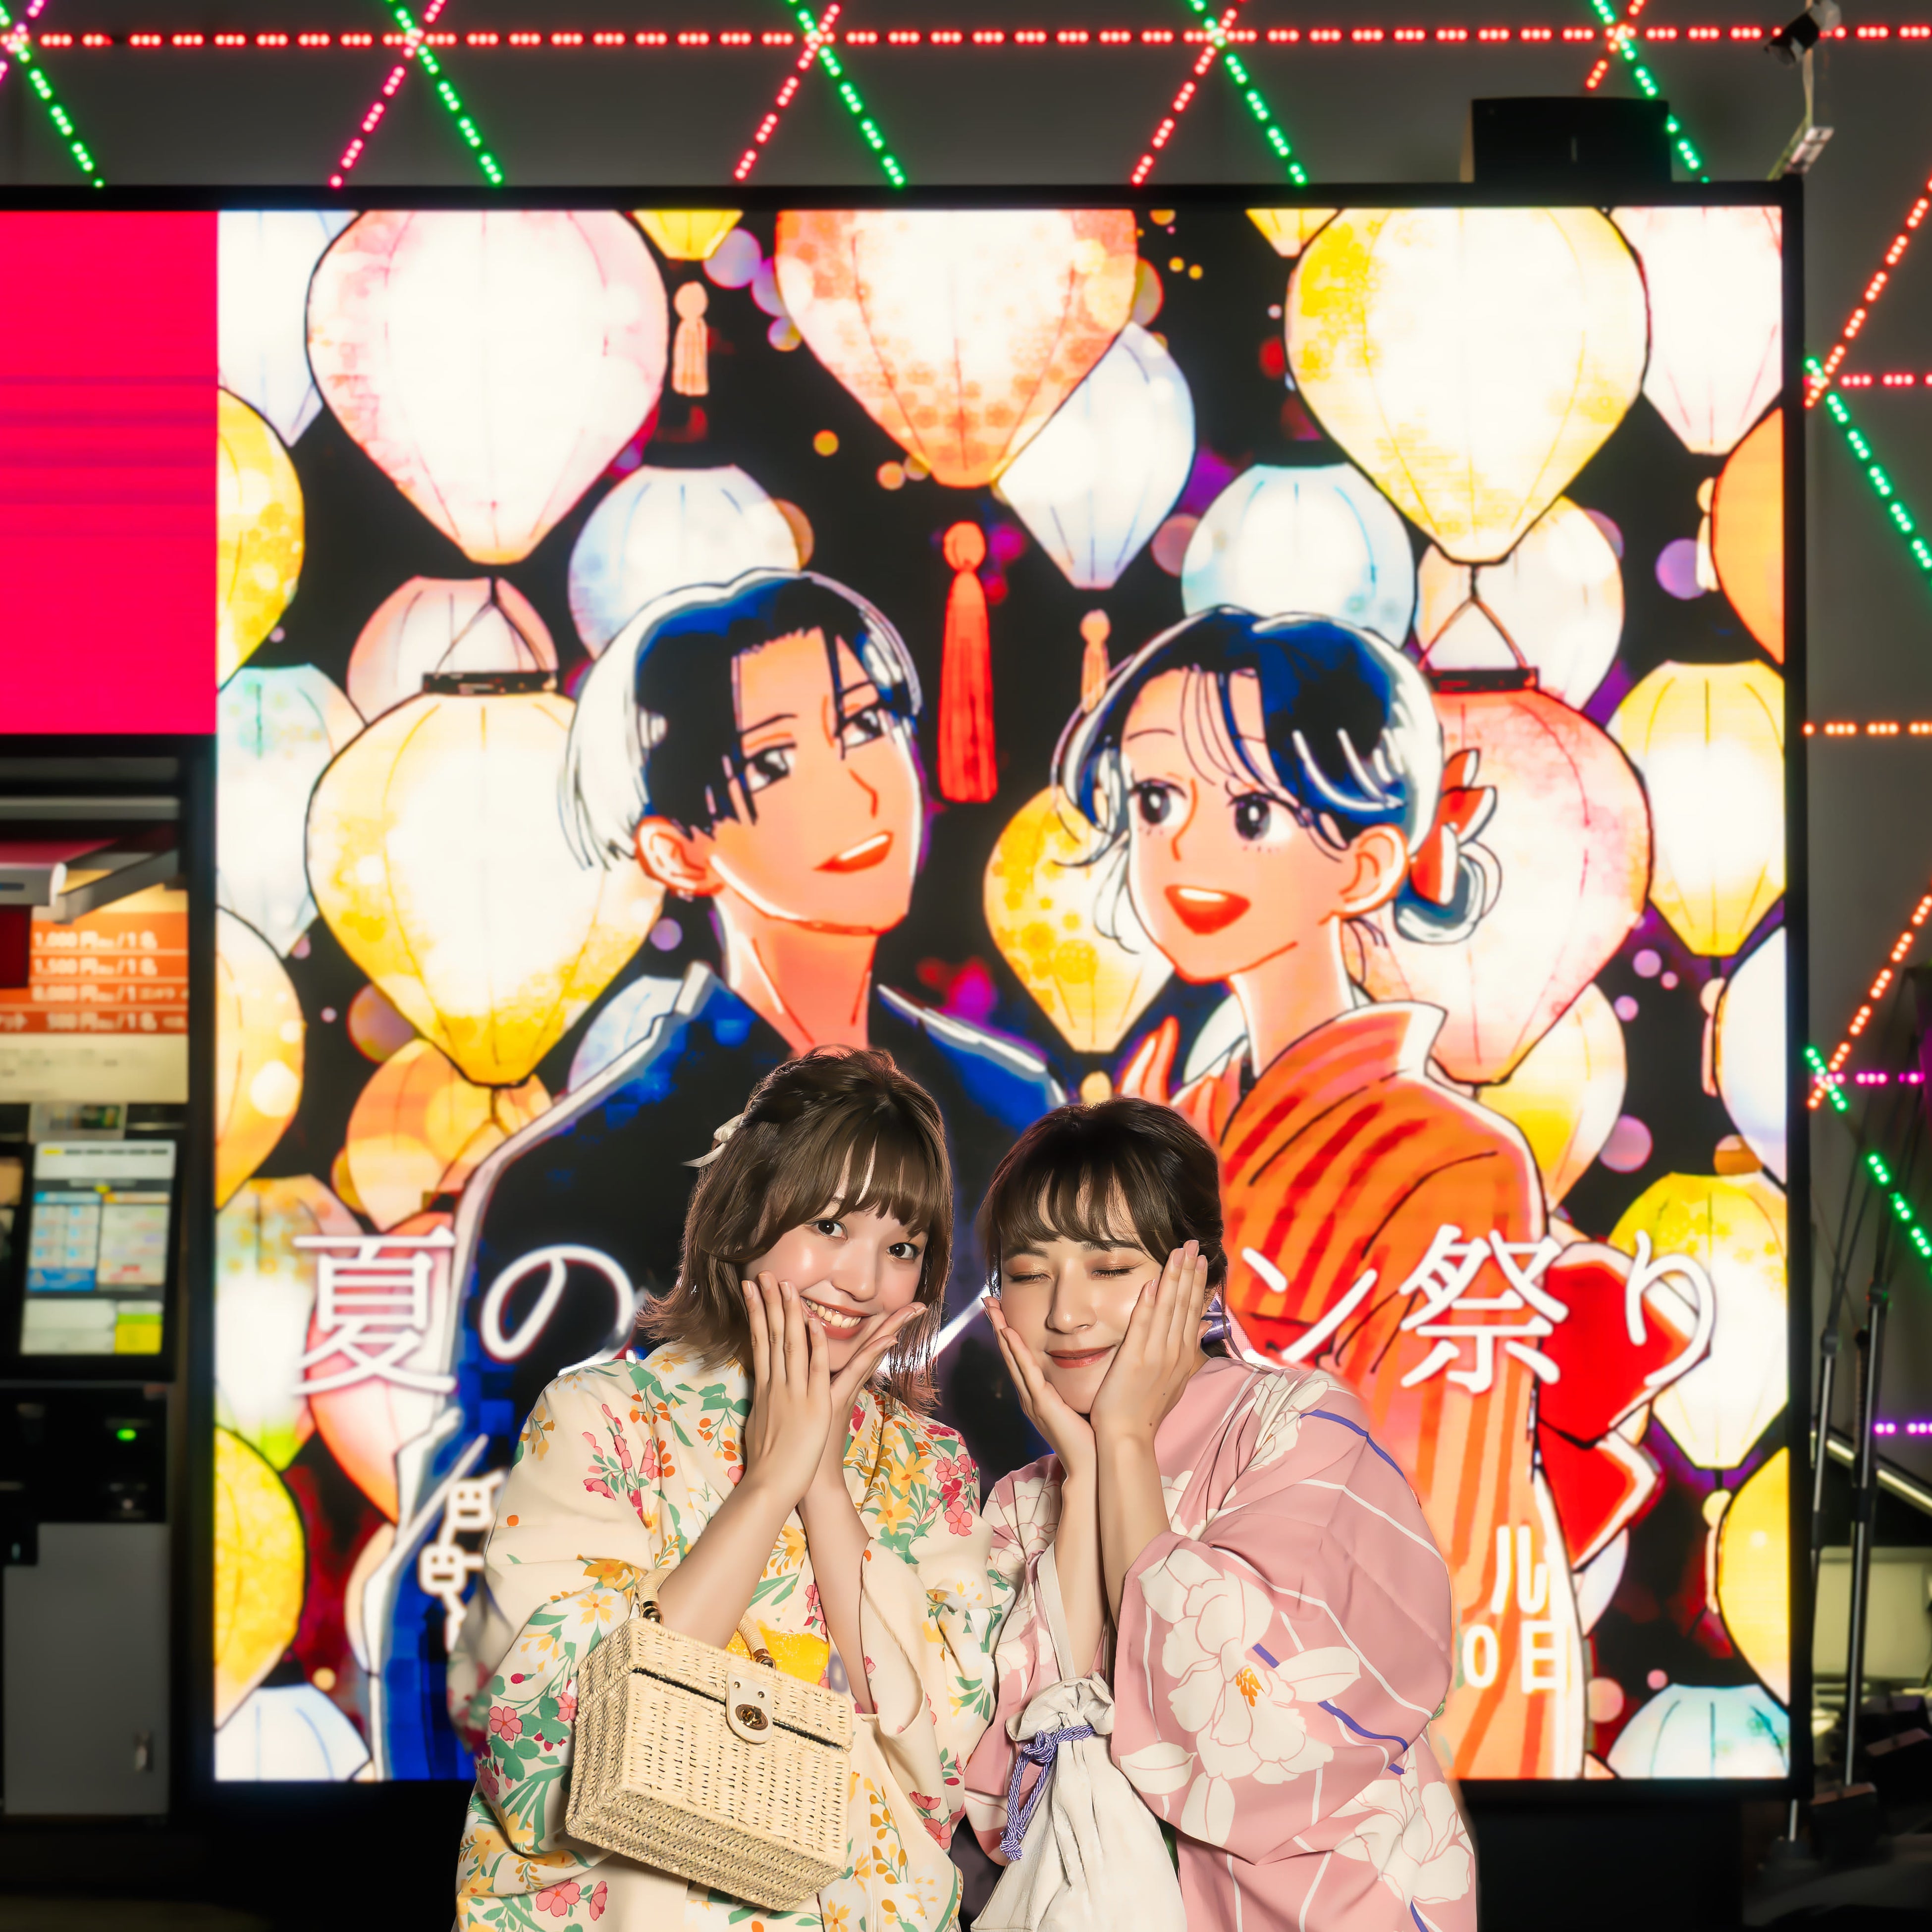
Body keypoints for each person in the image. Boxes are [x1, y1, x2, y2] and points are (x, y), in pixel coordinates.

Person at [1061, 608, 1580, 1779]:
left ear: (1367, 861)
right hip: (1164, 1701)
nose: (1183, 850)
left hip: (1365, 1751)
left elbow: (1440, 1537)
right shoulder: (1169, 1124)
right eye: (1156, 802)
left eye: (1252, 812)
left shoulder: (1456, 1164)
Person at [450, 568, 1059, 1481]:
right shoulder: (583, 1172)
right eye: (774, 763)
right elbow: (505, 1504)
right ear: (677, 851)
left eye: (865, 725)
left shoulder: (1007, 1105)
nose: (858, 788)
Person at [453, 1048, 1001, 1931]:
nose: (863, 1282)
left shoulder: (929, 1467)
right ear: (744, 1216)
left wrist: (824, 1488)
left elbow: (943, 1763)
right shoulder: (607, 1417)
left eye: (902, 1248)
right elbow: (542, 1745)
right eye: (829, 1226)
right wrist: (769, 1483)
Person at [962, 1097, 1475, 1931]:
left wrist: (1125, 1439)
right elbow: (1010, 1805)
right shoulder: (1023, 1503)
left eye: (1109, 1268)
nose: (1065, 1312)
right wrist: (1086, 1479)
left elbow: (1259, 1728)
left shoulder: (1300, 1426)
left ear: (1199, 1278)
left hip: (1332, 1904)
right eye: (1027, 1274)